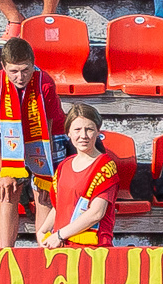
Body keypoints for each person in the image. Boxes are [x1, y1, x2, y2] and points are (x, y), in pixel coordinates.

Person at [0, 35, 67, 249]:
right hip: (11, 137)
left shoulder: (45, 83)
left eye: (26, 70)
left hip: (45, 137)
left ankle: (45, 251)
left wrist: (44, 173)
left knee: (43, 192)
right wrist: (5, 168)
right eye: (14, 71)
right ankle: (5, 252)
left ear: (33, 64)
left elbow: (48, 128)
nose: (20, 77)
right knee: (8, 190)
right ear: (3, 67)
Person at [38, 104, 119, 250]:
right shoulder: (64, 166)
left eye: (89, 129)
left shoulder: (105, 166)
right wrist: (43, 230)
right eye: (77, 130)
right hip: (63, 248)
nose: (83, 135)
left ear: (97, 132)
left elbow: (96, 213)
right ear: (68, 133)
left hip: (93, 249)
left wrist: (59, 235)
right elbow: (59, 206)